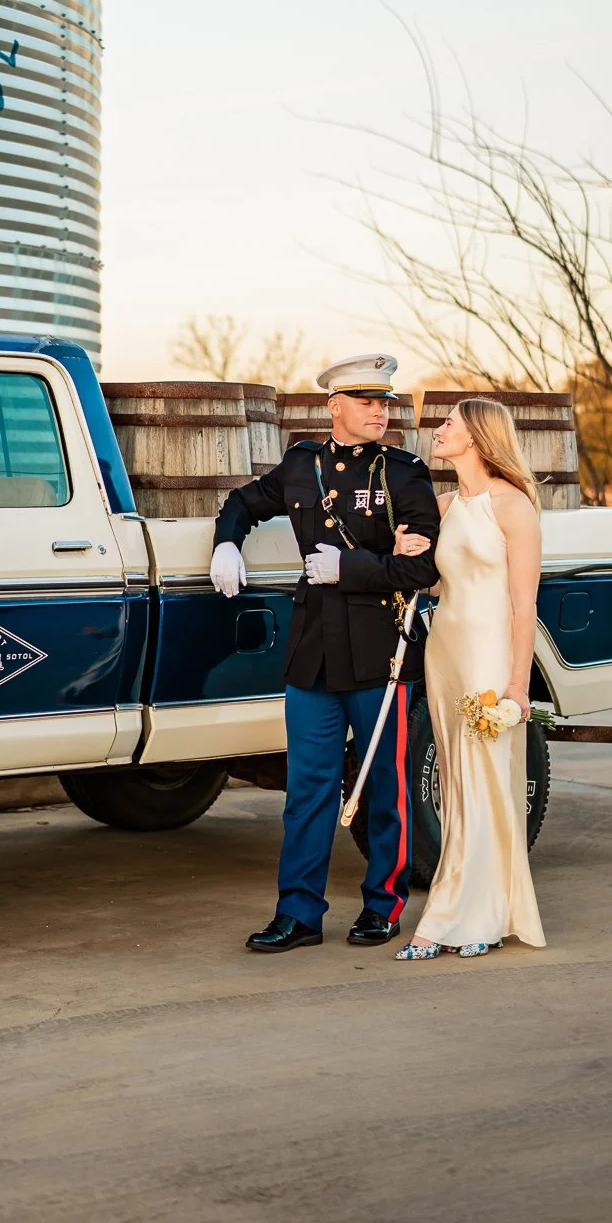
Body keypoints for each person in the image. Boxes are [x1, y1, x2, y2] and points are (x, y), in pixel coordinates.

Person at [210, 354, 440, 952]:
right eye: (365, 401)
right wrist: (226, 543)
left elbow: (423, 567)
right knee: (307, 787)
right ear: (333, 406)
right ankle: (299, 913)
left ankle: (384, 905)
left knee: (383, 788)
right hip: (312, 653)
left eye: (384, 401)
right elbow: (241, 503)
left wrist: (352, 566)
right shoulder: (301, 465)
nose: (378, 411)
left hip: (378, 652)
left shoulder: (405, 473)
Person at [390, 396, 547, 959]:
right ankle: (471, 909)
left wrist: (518, 685)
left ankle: (456, 917)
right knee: (455, 786)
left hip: (488, 657)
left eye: (448, 423)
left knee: (484, 785)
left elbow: (523, 603)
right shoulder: (445, 504)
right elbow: (434, 583)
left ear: (477, 437)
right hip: (445, 654)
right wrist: (402, 548)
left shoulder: (514, 507)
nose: (438, 430)